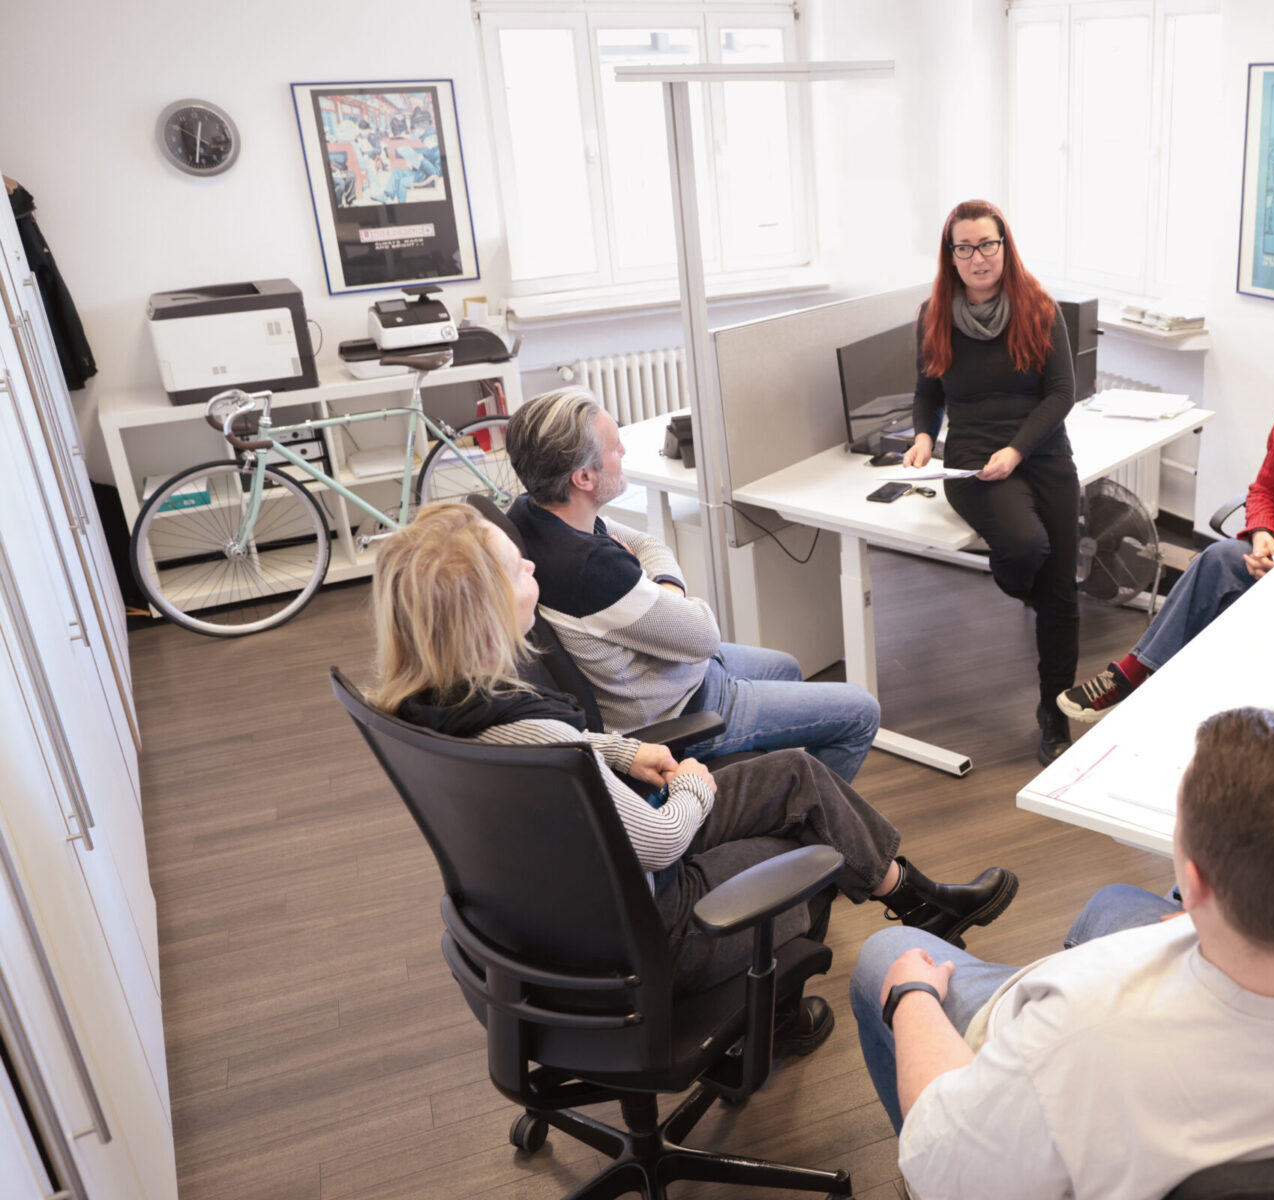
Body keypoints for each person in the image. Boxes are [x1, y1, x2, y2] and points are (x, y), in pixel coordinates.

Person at [367, 503, 1019, 1025]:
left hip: (558, 908)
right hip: (654, 935)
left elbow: (547, 744)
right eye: (518, 569)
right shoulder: (527, 738)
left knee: (794, 773)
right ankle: (771, 1026)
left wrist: (623, 748)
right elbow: (658, 840)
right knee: (810, 845)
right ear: (484, 612)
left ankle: (915, 896)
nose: (533, 567)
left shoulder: (432, 703)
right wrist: (691, 787)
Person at [851, 707, 1274, 1200]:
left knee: (889, 951)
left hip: (1049, 1060)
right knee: (1111, 902)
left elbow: (937, 1163)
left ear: (1197, 886)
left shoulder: (1081, 1037)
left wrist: (912, 996)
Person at [503, 388, 881, 782]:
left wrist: (658, 590)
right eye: (615, 448)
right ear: (583, 477)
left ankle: (768, 788)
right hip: (679, 707)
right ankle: (809, 809)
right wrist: (669, 599)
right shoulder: (591, 567)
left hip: (672, 672)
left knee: (787, 667)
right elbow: (702, 634)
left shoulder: (533, 513)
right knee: (860, 711)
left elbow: (649, 544)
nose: (624, 455)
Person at [1058, 317, 1274, 723]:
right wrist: (1263, 533)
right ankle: (1153, 692)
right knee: (1218, 571)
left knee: (1216, 564)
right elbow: (1263, 490)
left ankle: (1135, 677)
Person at [908, 199, 1080, 765]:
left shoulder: (1039, 308)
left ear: (1005, 247)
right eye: (965, 247)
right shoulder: (933, 315)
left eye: (988, 244)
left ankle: (1054, 713)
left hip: (1042, 451)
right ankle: (1021, 587)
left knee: (1060, 592)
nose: (978, 257)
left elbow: (1061, 394)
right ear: (951, 256)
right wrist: (924, 437)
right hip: (974, 460)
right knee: (1027, 549)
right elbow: (929, 392)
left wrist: (1019, 448)